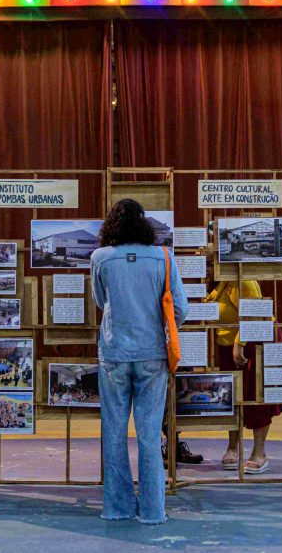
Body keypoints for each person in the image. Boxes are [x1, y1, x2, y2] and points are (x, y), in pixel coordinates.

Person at [92, 199, 187, 524]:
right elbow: (180, 310)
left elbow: (100, 300)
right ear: (143, 223)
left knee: (114, 432)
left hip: (114, 354)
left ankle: (117, 507)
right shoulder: (163, 257)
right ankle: (152, 510)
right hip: (153, 355)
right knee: (149, 435)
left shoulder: (100, 258)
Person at [209, 280, 282, 474]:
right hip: (230, 344)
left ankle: (259, 453)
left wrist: (241, 342)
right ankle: (233, 447)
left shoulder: (244, 279)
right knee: (231, 396)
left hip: (252, 342)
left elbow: (255, 312)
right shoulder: (221, 281)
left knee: (256, 395)